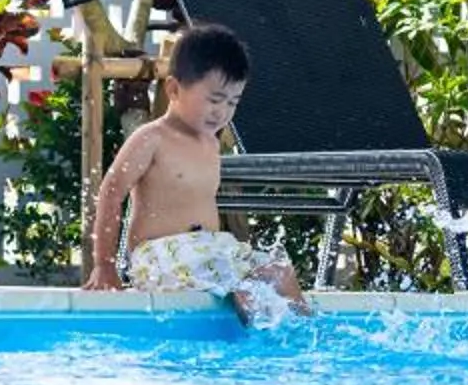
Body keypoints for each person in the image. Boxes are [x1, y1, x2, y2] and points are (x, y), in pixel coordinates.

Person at [81, 21, 312, 324]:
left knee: (280, 272)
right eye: (214, 100)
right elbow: (112, 191)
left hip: (210, 251)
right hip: (162, 254)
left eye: (233, 102)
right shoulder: (152, 138)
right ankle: (251, 329)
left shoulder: (210, 143)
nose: (222, 112)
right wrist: (104, 265)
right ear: (174, 89)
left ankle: (307, 339)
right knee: (247, 286)